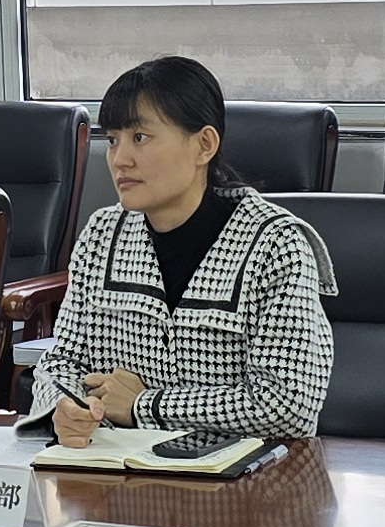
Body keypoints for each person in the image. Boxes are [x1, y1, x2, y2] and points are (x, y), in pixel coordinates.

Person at [38, 56, 334, 447]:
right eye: (112, 139)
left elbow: (287, 405)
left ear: (204, 145)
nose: (119, 159)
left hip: (248, 476)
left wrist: (145, 405)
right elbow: (61, 362)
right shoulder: (101, 236)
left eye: (140, 137)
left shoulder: (276, 245)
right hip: (119, 468)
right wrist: (64, 406)